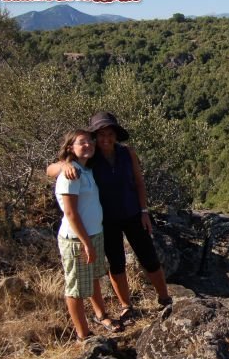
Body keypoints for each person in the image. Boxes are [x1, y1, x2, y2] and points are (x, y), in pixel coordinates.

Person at [48, 113, 171, 323]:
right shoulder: (91, 158)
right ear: (96, 136)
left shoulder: (127, 153)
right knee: (116, 263)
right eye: (101, 134)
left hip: (133, 214)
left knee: (149, 257)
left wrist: (144, 212)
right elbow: (50, 169)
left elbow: (139, 183)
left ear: (116, 135)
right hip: (107, 221)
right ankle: (126, 306)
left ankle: (165, 298)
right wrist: (64, 165)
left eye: (110, 133)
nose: (106, 138)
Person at [54, 129, 121, 341]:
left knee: (92, 279)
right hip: (77, 240)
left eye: (90, 142)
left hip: (94, 234)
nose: (88, 145)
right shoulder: (70, 173)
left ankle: (102, 316)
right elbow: (71, 214)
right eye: (81, 142)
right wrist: (86, 244)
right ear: (70, 148)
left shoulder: (86, 170)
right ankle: (84, 335)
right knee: (75, 288)